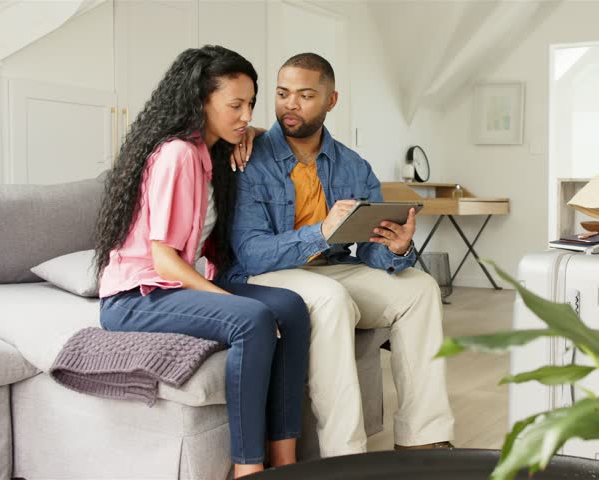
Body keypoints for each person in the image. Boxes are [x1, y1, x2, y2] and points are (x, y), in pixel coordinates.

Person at [93, 45, 310, 478]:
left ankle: (286, 460)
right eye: (235, 105)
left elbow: (251, 131)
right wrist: (232, 306)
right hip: (138, 297)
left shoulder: (212, 152)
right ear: (200, 101)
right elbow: (166, 261)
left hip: (175, 286)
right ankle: (248, 468)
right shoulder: (178, 154)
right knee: (252, 319)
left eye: (250, 103)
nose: (245, 114)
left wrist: (247, 131)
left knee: (291, 307)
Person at [227, 52, 455, 457]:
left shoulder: (353, 166)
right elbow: (250, 252)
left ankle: (424, 439)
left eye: (304, 95)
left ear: (331, 101)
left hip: (328, 269)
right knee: (331, 300)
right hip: (264, 275)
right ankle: (344, 454)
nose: (290, 105)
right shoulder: (249, 156)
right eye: (282, 94)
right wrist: (321, 231)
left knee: (419, 287)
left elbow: (369, 247)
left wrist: (396, 248)